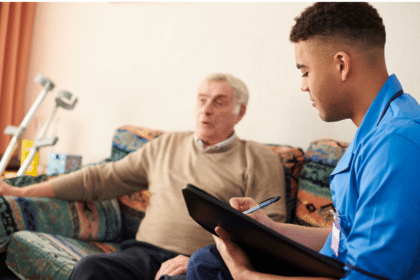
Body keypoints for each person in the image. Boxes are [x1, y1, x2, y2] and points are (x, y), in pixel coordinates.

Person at [185, 3, 420, 280]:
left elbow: (367, 277)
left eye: (305, 71)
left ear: (341, 65)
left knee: (209, 268)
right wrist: (268, 227)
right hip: (335, 267)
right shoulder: (377, 129)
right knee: (207, 262)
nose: (303, 85)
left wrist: (245, 275)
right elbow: (345, 238)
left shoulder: (395, 143)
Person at [0, 73, 287, 280]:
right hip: (142, 253)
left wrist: (207, 258)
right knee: (92, 269)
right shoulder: (167, 145)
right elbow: (100, 179)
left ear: (240, 112)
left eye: (219, 102)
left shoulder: (258, 158)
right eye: (201, 100)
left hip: (201, 264)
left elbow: (270, 230)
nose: (206, 110)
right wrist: (20, 192)